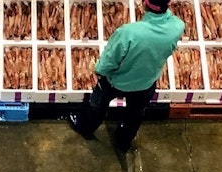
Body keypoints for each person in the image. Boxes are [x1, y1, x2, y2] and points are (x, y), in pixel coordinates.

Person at [68, 0, 185, 151]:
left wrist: (99, 69)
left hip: (116, 81)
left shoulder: (128, 33)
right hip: (147, 83)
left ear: (145, 3)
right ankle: (123, 141)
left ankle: (86, 127)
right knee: (135, 114)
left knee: (98, 104)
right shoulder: (177, 26)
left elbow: (109, 60)